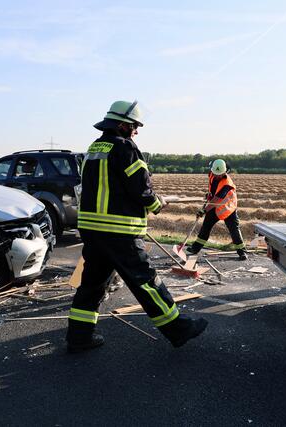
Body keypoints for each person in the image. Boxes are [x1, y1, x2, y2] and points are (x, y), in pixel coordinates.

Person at [66, 100, 208, 353]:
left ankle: (79, 336)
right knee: (146, 282)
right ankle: (178, 329)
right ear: (122, 125)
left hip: (92, 230)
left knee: (92, 284)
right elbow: (141, 189)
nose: (136, 131)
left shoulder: (94, 148)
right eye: (134, 126)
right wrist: (157, 203)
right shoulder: (125, 148)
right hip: (119, 231)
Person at [186, 159, 247, 260]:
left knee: (234, 229)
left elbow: (217, 199)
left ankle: (242, 252)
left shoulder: (227, 184)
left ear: (225, 172)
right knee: (206, 227)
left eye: (220, 174)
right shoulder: (211, 174)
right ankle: (195, 249)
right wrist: (210, 194)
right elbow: (213, 189)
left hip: (228, 208)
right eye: (216, 174)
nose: (217, 176)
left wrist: (204, 210)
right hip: (214, 206)